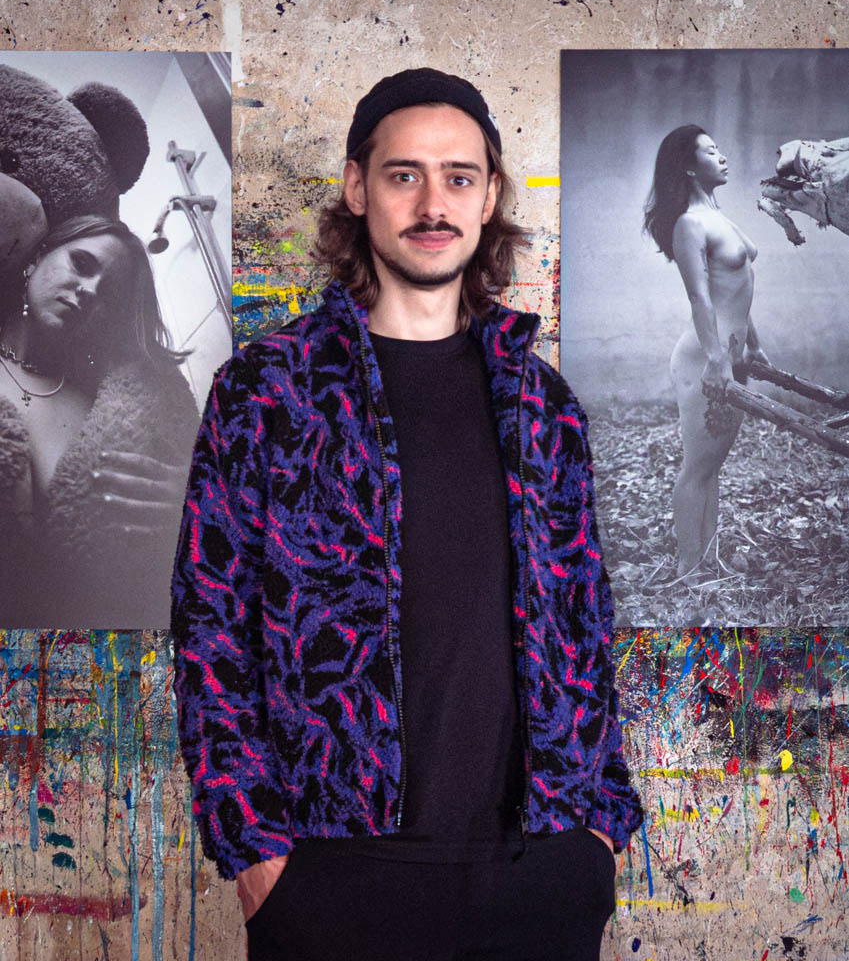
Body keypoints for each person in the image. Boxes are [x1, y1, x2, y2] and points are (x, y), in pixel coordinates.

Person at [172, 68, 643, 961]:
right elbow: (208, 628)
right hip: (332, 877)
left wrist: (595, 837)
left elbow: (583, 623)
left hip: (538, 871)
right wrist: (261, 860)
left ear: (491, 194)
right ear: (358, 188)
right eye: (404, 175)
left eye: (459, 176)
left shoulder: (541, 402)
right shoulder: (268, 391)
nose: (434, 202)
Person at [0, 214, 198, 628]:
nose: (88, 290)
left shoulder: (97, 412)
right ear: (36, 258)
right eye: (82, 264)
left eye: (111, 292)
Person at [644, 125, 770, 584]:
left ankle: (706, 563)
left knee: (712, 465)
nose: (722, 155)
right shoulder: (689, 225)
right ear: (688, 166)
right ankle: (687, 568)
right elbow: (700, 300)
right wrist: (719, 361)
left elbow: (735, 294)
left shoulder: (718, 215)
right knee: (698, 466)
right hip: (705, 359)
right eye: (710, 151)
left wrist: (753, 346)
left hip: (730, 357)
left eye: (719, 148)